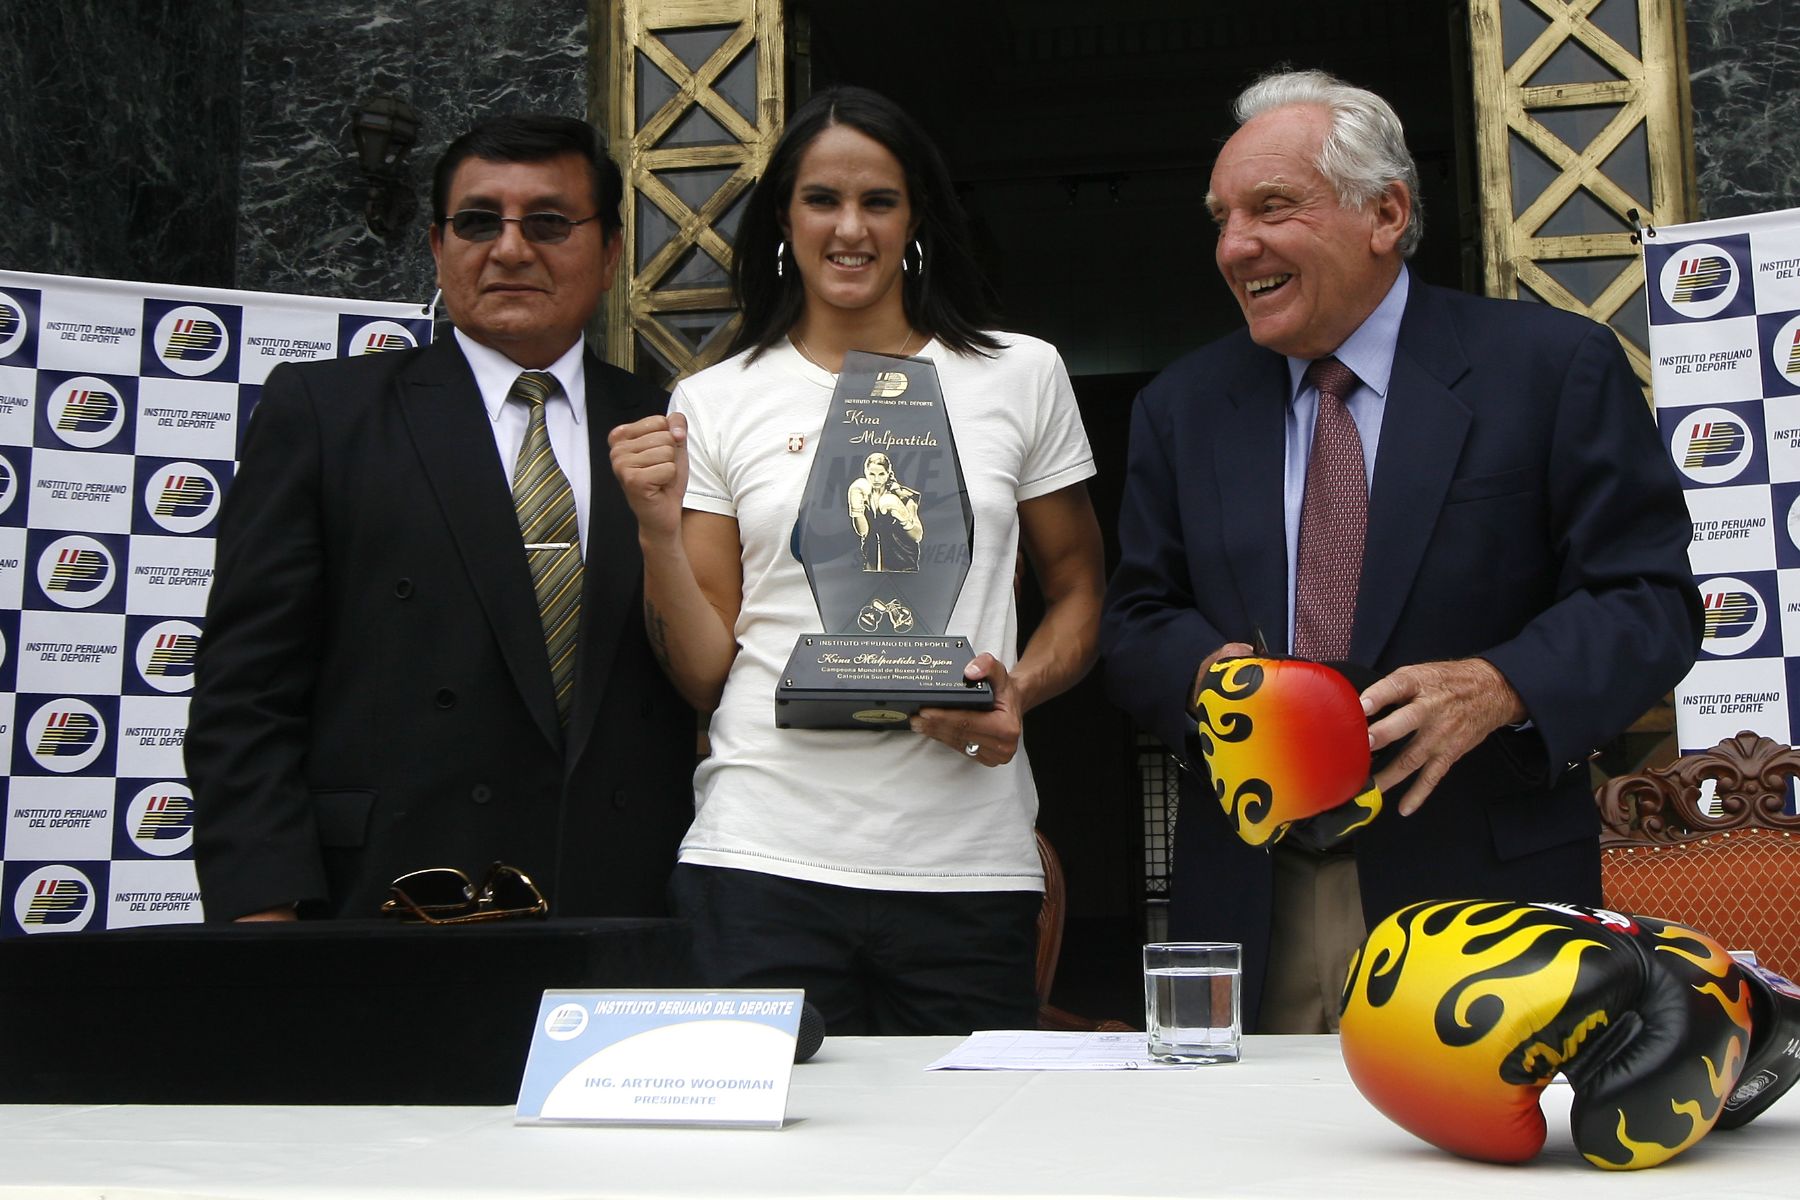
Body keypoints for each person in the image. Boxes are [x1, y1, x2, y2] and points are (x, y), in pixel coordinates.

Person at [1100, 70, 1700, 1033]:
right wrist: (1208, 676)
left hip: (1484, 898)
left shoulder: (1548, 369)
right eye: (1221, 218)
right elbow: (1135, 618)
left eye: (1272, 208)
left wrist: (1500, 682)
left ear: (1385, 212)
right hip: (1259, 898)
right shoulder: (1183, 408)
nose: (1234, 246)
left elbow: (1648, 601)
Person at [609, 86, 1105, 1035]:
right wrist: (657, 530)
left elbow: (1081, 590)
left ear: (917, 215)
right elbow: (706, 670)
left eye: (878, 201)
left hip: (966, 859)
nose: (850, 228)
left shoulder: (1021, 372)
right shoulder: (715, 398)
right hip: (761, 854)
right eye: (821, 200)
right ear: (784, 218)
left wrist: (1020, 690)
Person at [187, 114, 695, 922]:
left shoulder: (672, 426)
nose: (511, 249)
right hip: (394, 897)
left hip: (628, 904)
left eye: (551, 223)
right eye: (478, 221)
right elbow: (246, 692)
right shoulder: (327, 414)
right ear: (436, 246)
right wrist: (264, 912)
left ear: (609, 255)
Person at [848, 451, 923, 571]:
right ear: (865, 473)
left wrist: (903, 517)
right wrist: (857, 510)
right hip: (872, 565)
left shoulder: (904, 497)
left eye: (881, 474)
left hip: (903, 564)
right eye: (872, 474)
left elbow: (917, 535)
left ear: (888, 473)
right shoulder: (862, 495)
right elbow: (863, 532)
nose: (876, 479)